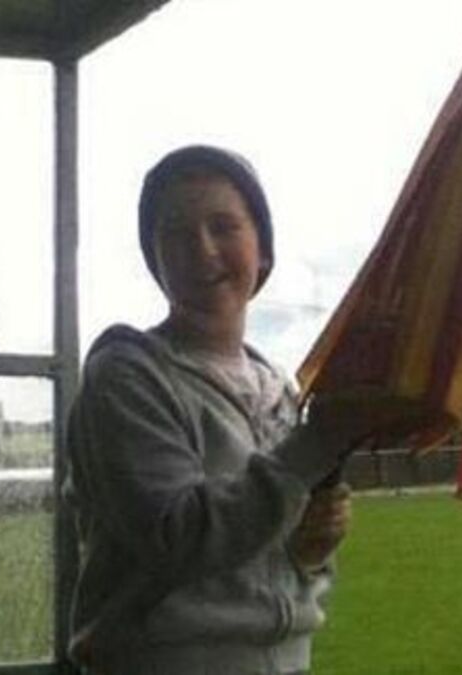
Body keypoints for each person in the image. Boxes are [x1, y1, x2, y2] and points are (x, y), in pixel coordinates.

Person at [64, 145, 367, 674]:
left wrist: (309, 552)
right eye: (176, 233)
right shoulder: (126, 375)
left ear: (263, 250)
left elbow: (270, 556)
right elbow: (176, 537)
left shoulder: (278, 388)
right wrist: (319, 441)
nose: (202, 249)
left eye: (224, 226)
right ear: (155, 260)